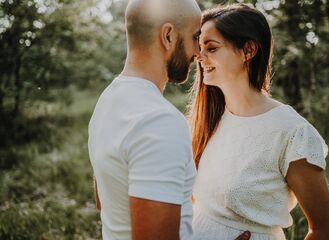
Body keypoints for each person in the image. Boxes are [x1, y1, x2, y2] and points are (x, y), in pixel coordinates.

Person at [88, 1, 252, 240]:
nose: (198, 53)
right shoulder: (159, 121)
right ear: (168, 36)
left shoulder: (108, 101)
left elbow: (108, 200)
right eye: (195, 37)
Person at [189, 3, 329, 240]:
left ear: (248, 50)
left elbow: (326, 229)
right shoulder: (210, 118)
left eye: (212, 48)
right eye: (199, 48)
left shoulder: (292, 131)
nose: (199, 56)